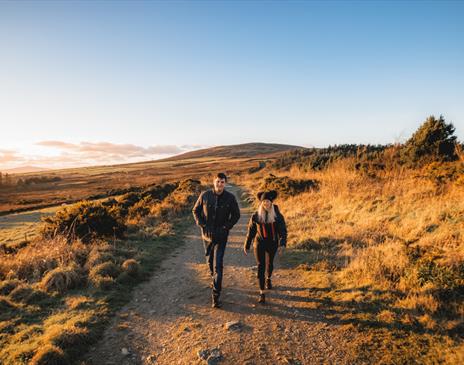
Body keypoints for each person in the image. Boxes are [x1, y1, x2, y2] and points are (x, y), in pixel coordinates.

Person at [192, 172, 240, 308]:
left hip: (222, 236)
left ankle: (216, 294)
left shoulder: (230, 198)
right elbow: (195, 210)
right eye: (218, 181)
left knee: (218, 264)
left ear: (225, 183)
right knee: (209, 261)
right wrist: (202, 225)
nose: (220, 184)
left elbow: (236, 215)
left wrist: (226, 227)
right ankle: (213, 277)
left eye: (222, 182)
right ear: (214, 182)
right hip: (207, 235)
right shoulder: (205, 195)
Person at [243, 190, 287, 304]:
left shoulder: (277, 215)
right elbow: (251, 231)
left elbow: (283, 230)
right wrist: (247, 244)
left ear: (271, 202)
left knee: (270, 264)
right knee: (260, 266)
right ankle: (261, 292)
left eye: (268, 201)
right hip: (259, 243)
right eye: (264, 202)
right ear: (261, 203)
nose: (266, 203)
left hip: (272, 243)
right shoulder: (256, 216)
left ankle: (268, 278)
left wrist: (282, 243)